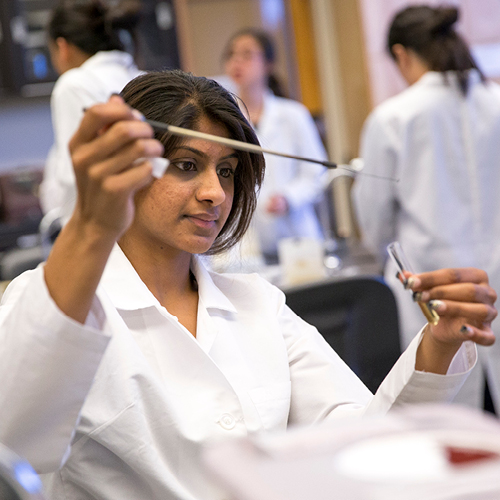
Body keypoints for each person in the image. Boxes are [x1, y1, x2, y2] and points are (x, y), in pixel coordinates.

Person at [0, 70, 496, 500]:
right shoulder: (54, 304)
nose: (215, 193)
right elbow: (16, 439)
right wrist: (90, 222)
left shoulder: (258, 305)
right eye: (187, 165)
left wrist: (438, 344)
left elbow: (364, 444)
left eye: (228, 171)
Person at [352, 5, 500, 411]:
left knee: (450, 417)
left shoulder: (394, 117)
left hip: (433, 287)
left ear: (401, 54)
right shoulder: (496, 102)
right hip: (494, 280)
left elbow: (375, 221)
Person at [222, 28, 327, 262]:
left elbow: (316, 173)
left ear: (268, 64)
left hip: (297, 236)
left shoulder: (293, 114)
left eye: (247, 54)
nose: (237, 61)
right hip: (246, 243)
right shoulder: (224, 120)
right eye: (231, 55)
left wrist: (289, 197)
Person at [40, 0, 142, 222]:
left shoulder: (74, 83)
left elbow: (74, 182)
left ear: (62, 48)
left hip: (105, 230)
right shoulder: (144, 78)